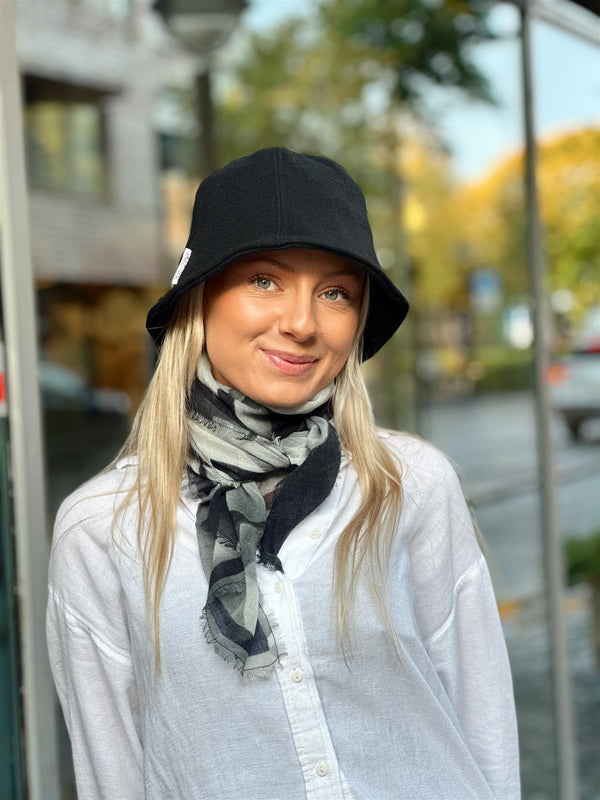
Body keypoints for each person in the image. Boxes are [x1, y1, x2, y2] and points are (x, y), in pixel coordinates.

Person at [46, 147, 520, 800]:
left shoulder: (410, 485)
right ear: (201, 300)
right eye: (264, 280)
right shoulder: (104, 530)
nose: (301, 323)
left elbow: (484, 723)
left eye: (335, 292)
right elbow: (113, 775)